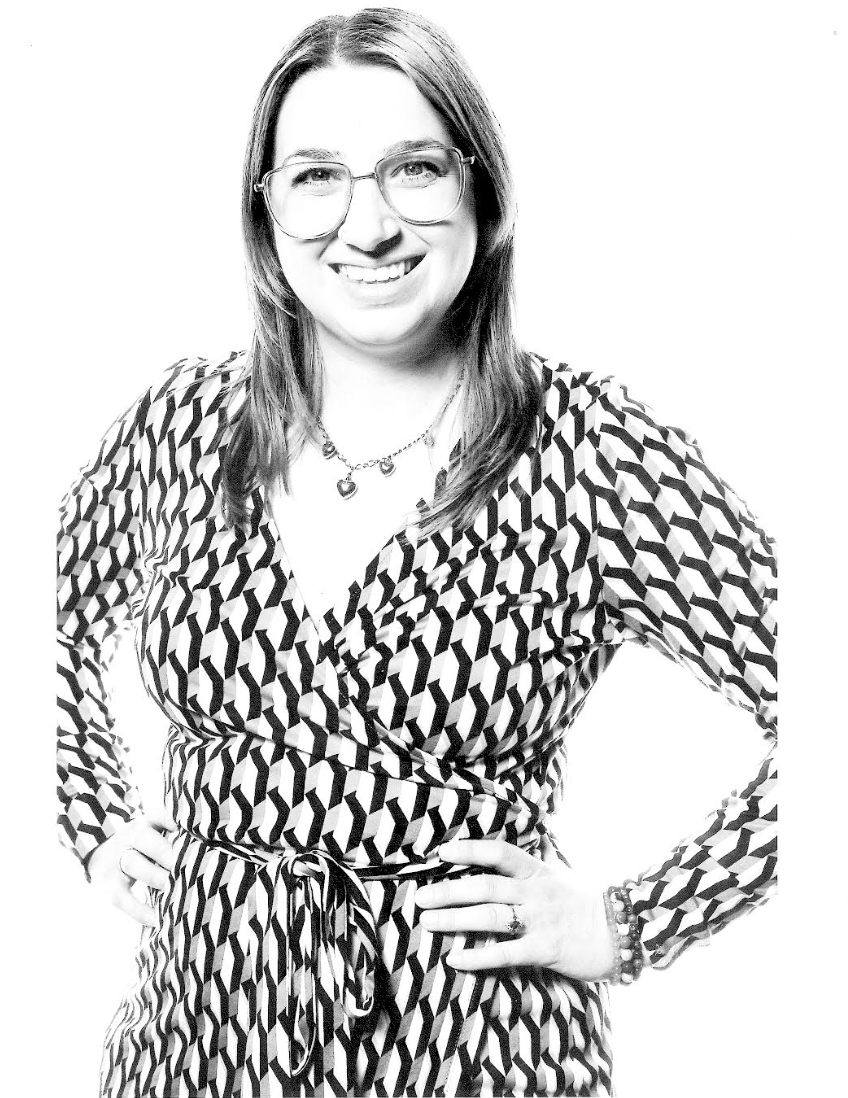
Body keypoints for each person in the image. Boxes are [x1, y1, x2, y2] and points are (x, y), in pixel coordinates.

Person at [56, 7, 777, 1096]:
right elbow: (46, 624)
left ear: (481, 191)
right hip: (193, 1053)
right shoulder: (185, 423)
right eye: (316, 177)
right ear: (264, 210)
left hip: (473, 1054)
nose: (369, 223)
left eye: (415, 168)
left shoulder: (590, 450)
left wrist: (629, 921)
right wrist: (93, 819)